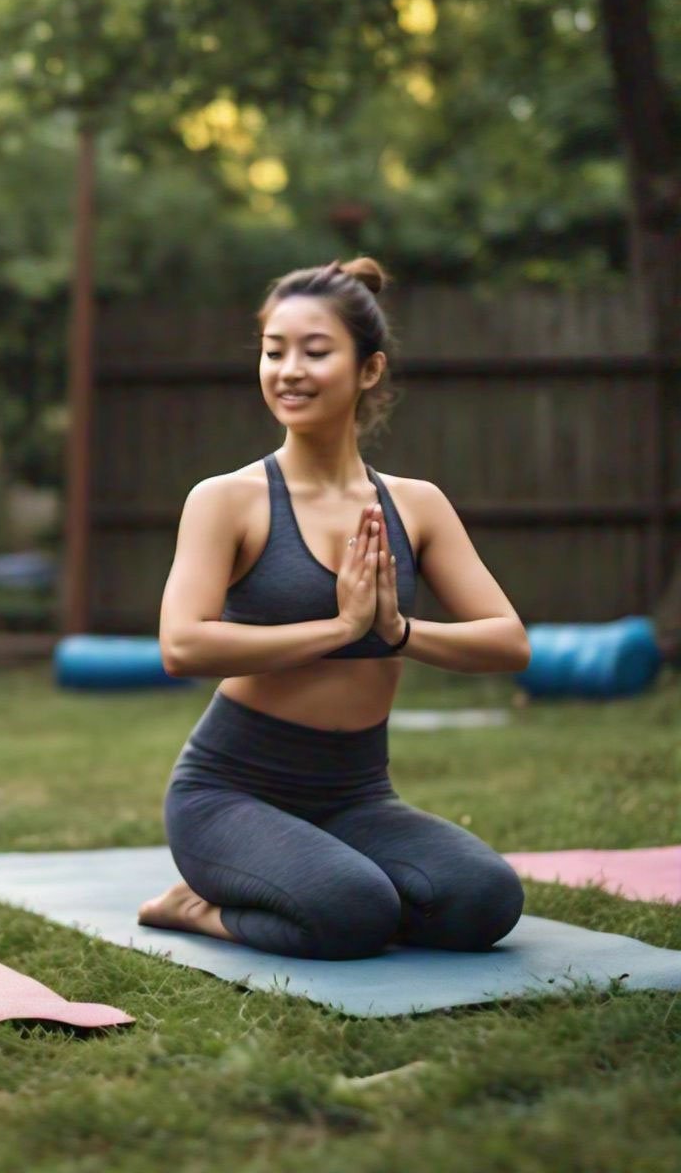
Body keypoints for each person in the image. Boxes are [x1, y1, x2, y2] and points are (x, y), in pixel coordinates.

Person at [138, 257, 529, 960]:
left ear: (369, 370)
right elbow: (183, 647)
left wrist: (397, 632)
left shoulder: (416, 505)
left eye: (315, 352)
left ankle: (335, 883)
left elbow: (508, 643)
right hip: (229, 796)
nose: (289, 370)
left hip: (356, 794)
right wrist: (341, 629)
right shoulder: (227, 500)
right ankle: (196, 908)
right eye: (273, 351)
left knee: (486, 900)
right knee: (352, 911)